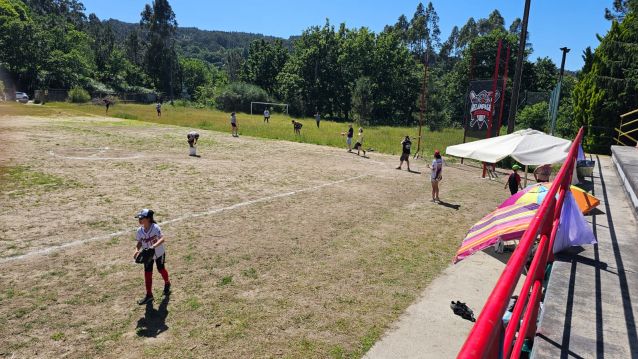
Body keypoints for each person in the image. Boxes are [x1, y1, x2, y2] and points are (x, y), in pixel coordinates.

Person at [133, 209, 171, 305]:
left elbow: (162, 238)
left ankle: (167, 282)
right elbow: (139, 242)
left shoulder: (155, 227)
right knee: (147, 274)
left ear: (148, 218)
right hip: (147, 255)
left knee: (161, 269)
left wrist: (153, 246)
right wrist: (136, 250)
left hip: (159, 253)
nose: (139, 220)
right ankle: (149, 295)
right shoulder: (139, 231)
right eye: (139, 218)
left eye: (142, 218)